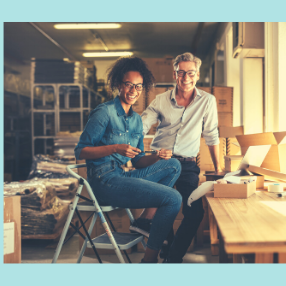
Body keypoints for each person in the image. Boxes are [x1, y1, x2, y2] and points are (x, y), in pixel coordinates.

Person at [74, 57, 182, 263]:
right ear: (118, 85)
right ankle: (149, 260)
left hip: (122, 175)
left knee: (173, 165)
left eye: (138, 87)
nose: (134, 90)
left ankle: (144, 221)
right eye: (129, 85)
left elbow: (139, 160)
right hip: (104, 180)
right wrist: (115, 148)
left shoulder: (135, 120)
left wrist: (156, 156)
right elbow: (81, 151)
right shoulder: (104, 112)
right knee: (173, 199)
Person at [134, 52, 221, 263]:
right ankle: (165, 251)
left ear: (197, 75)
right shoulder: (161, 100)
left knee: (194, 214)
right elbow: (142, 125)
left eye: (190, 73)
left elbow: (211, 135)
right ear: (175, 74)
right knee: (166, 208)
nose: (185, 78)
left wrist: (218, 169)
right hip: (161, 163)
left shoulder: (207, 101)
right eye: (181, 73)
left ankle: (172, 256)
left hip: (188, 165)